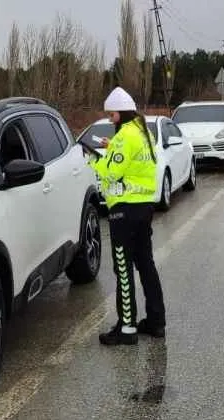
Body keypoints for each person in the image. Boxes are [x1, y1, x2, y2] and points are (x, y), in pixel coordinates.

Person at [84, 86, 166, 345]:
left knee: (123, 268)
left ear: (120, 113)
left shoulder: (124, 137)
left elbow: (110, 172)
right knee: (146, 265)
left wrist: (91, 158)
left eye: (112, 115)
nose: (110, 119)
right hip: (144, 207)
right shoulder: (143, 132)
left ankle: (127, 327)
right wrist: (113, 147)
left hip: (124, 211)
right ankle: (156, 321)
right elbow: (131, 162)